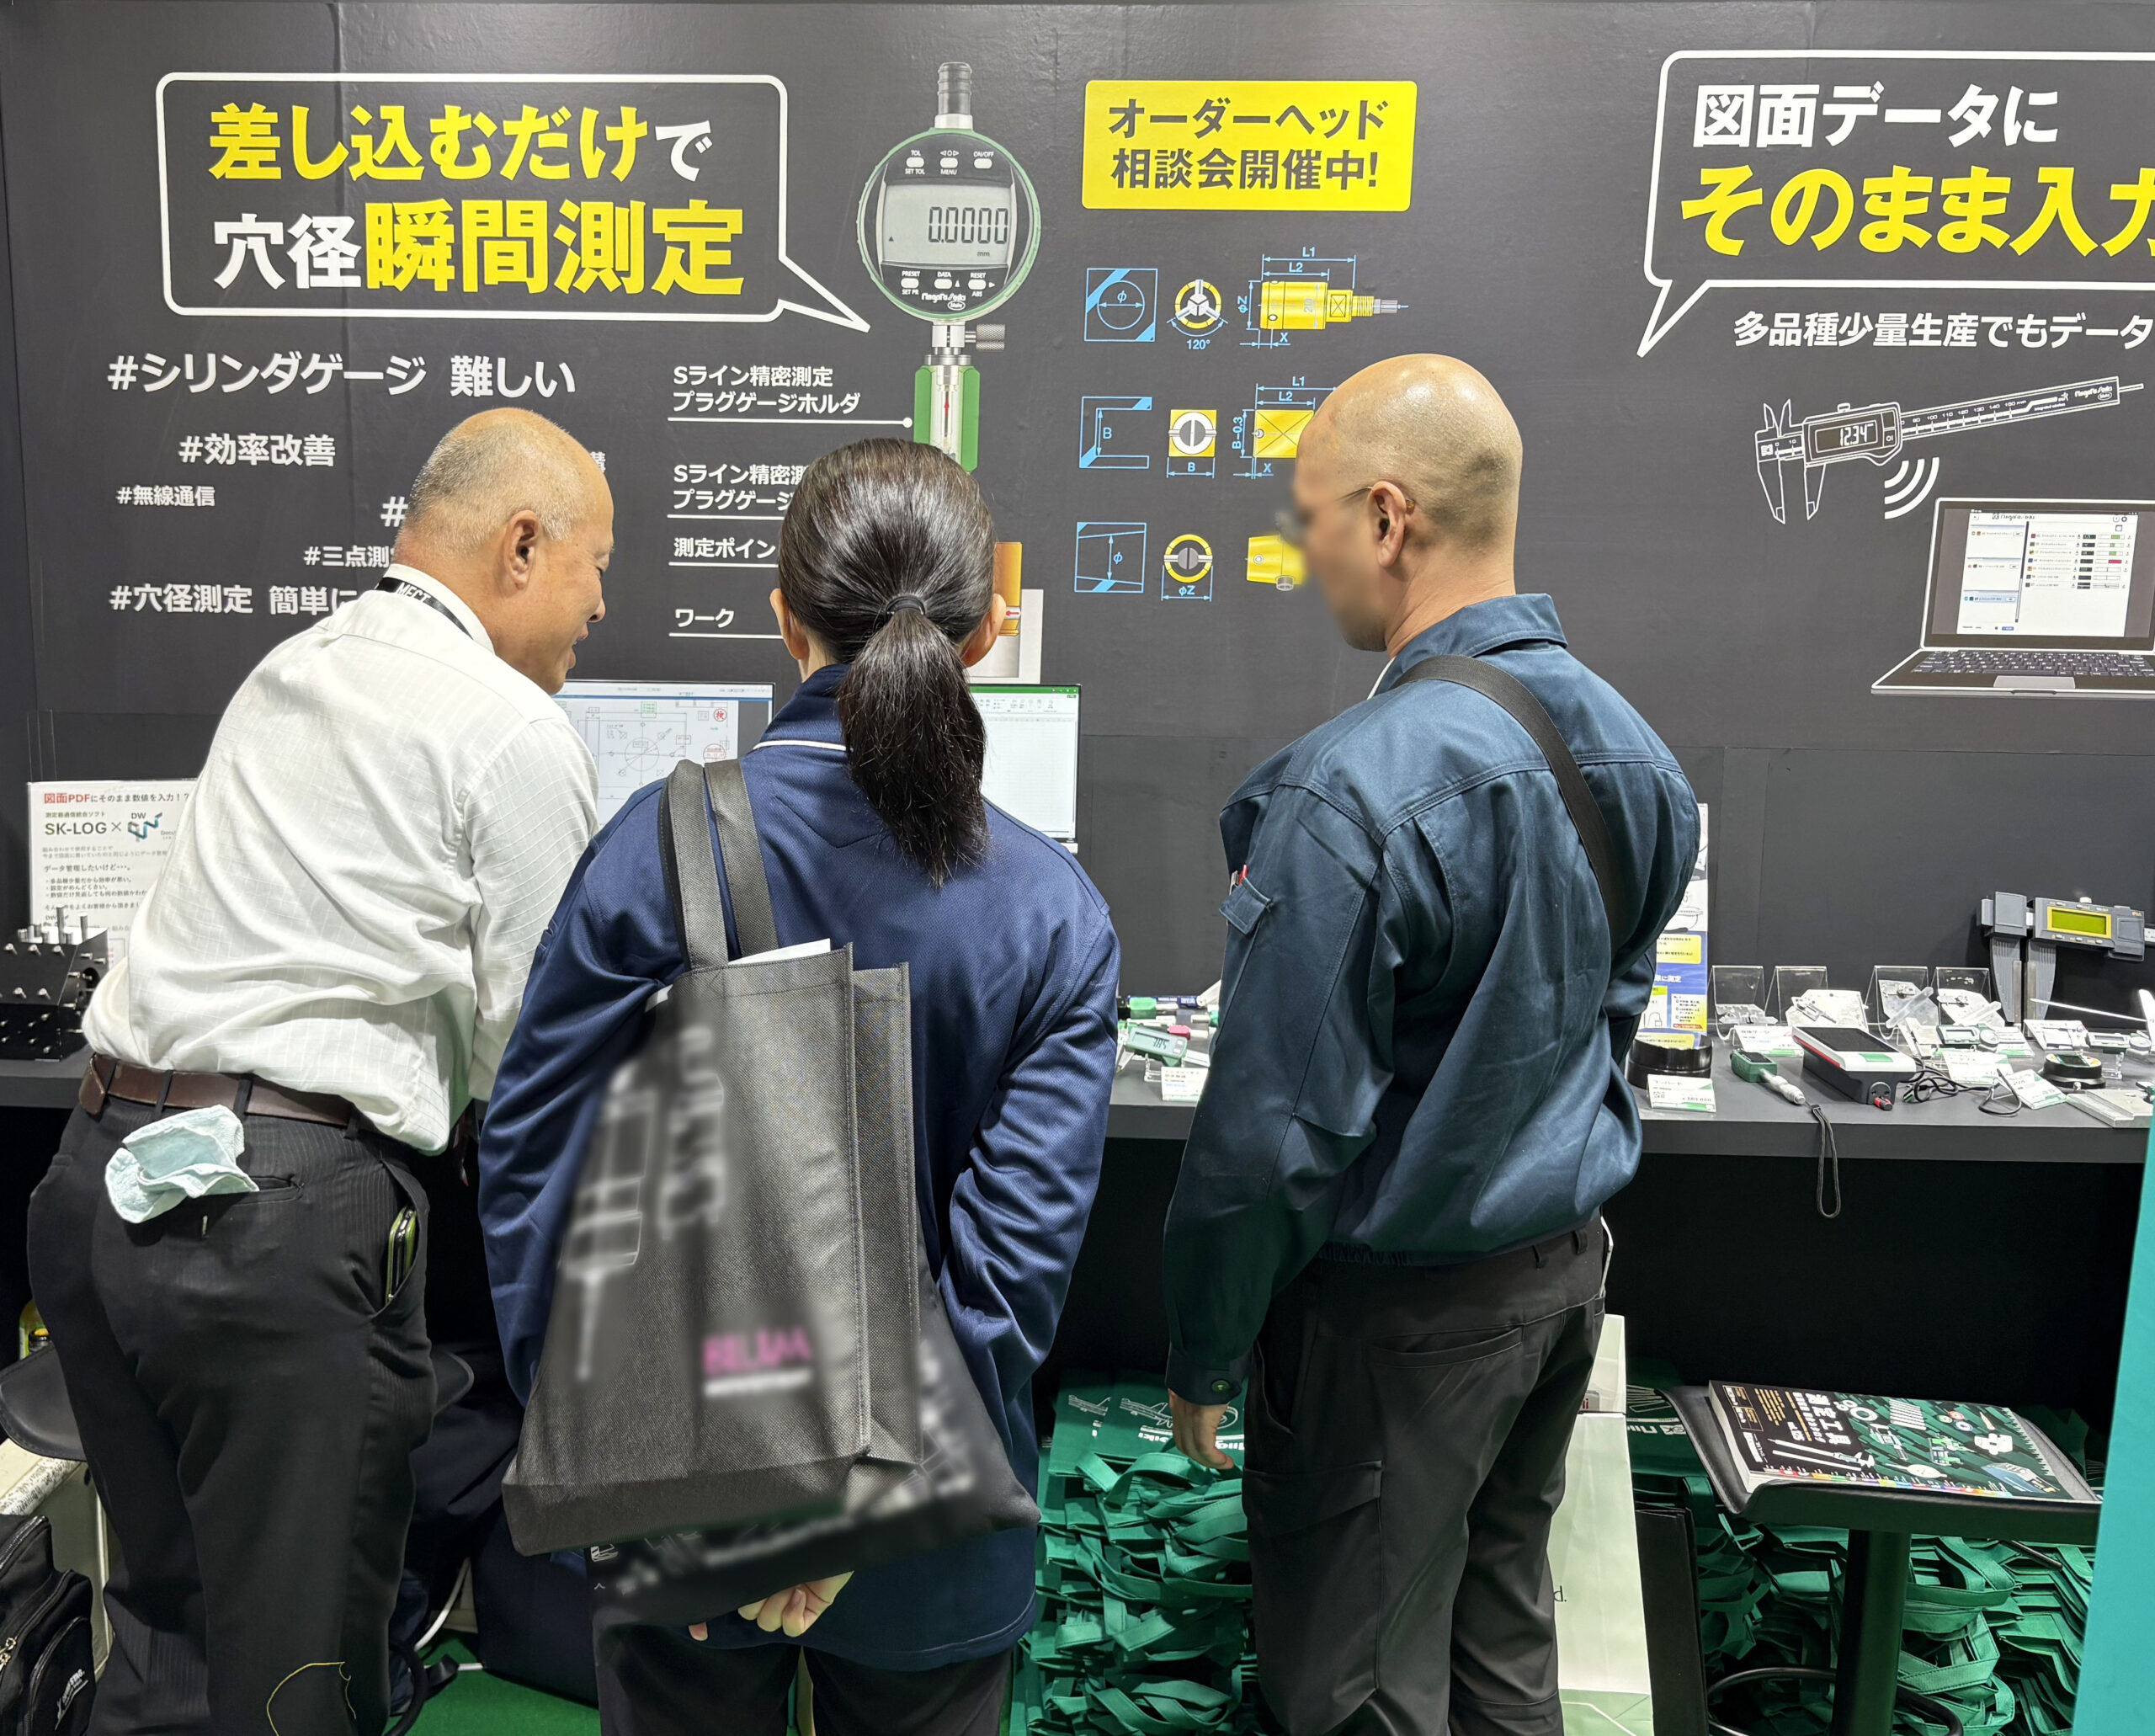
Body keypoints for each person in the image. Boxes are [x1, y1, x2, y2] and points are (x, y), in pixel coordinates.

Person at [478, 438, 1120, 1736]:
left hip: (680, 1502)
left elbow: (533, 1174)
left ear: (785, 620)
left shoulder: (651, 853)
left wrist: (643, 1471)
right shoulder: (1053, 913)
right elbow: (1006, 1281)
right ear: (987, 634)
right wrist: (849, 1511)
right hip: (930, 1538)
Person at [30, 408, 611, 1736]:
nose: (600, 605)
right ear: (522, 545)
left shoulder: (291, 668)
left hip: (99, 1183)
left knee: (168, 1641)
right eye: (599, 563)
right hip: (278, 1223)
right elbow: (540, 1062)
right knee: (303, 1678)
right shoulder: (511, 731)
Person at [1162, 356, 1700, 1736]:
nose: (1306, 553)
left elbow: (1271, 1135)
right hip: (1558, 1286)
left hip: (1396, 1329)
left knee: (1357, 1691)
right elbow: (1606, 1016)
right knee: (1500, 1644)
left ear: (1388, 518)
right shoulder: (1641, 757)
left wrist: (1204, 1350)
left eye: (1312, 518)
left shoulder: (1353, 788)